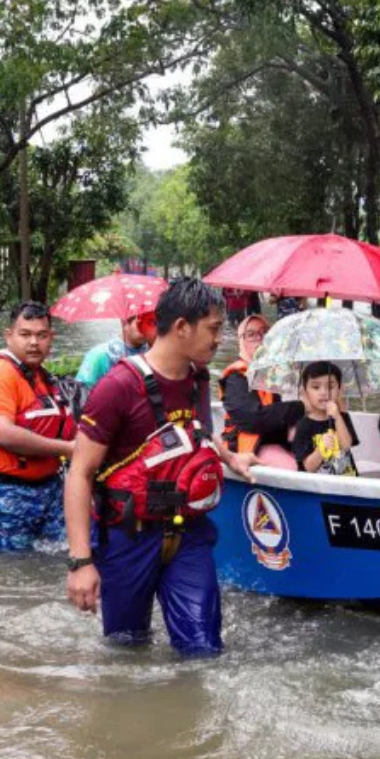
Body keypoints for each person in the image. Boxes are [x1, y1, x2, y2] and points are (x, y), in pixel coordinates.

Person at [63, 278, 255, 656]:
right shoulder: (117, 386)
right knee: (126, 651)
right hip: (128, 537)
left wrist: (229, 456)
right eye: (214, 328)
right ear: (182, 327)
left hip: (190, 533)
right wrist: (81, 561)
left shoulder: (198, 380)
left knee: (203, 651)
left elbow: (192, 437)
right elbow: (80, 472)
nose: (220, 340)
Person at [0, 301, 77, 551]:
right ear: (9, 336)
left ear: (51, 338)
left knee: (63, 557)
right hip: (4, 490)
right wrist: (67, 448)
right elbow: (0, 433)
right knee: (12, 571)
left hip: (49, 487)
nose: (34, 342)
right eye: (25, 334)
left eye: (41, 335)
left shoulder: (42, 375)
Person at [218, 313, 301, 469]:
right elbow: (252, 420)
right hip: (247, 450)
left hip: (277, 441)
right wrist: (300, 407)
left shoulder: (279, 373)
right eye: (251, 335)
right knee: (290, 466)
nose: (259, 338)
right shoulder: (236, 378)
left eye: (264, 333)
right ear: (241, 341)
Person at [289, 361, 358, 475]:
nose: (324, 392)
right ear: (305, 392)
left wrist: (337, 417)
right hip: (321, 488)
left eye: (330, 387)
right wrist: (321, 449)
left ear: (340, 390)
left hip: (349, 483)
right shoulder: (303, 425)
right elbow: (308, 467)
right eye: (316, 387)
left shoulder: (342, 417)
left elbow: (346, 445)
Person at [75, 310, 156, 391]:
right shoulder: (99, 355)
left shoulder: (155, 353)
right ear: (124, 323)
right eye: (140, 323)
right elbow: (82, 392)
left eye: (150, 323)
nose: (145, 328)